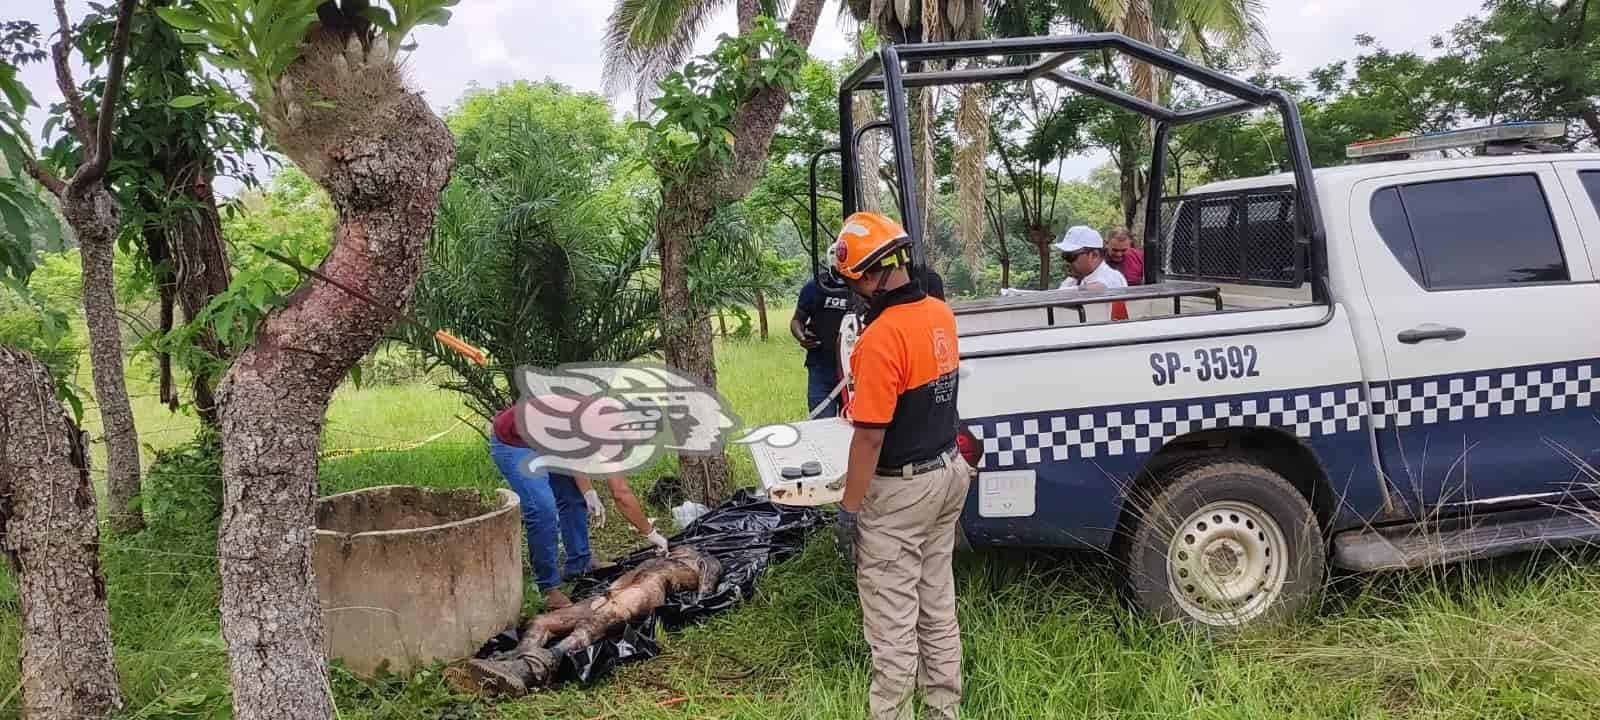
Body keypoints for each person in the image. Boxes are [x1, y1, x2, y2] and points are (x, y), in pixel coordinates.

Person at [831, 211, 971, 720]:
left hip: (902, 493)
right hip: (947, 473)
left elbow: (869, 437)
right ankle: (943, 709)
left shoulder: (880, 339)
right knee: (936, 603)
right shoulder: (940, 311)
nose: (856, 295)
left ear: (870, 275)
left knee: (891, 622)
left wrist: (849, 510)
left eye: (855, 285)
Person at [488, 406, 668, 609]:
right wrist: (651, 534)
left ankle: (579, 563)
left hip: (550, 442)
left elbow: (606, 478)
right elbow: (620, 494)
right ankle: (548, 588)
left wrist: (587, 492)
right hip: (515, 441)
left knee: (573, 496)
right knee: (543, 508)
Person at [792, 271, 853, 417]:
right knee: (822, 422)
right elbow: (797, 320)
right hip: (821, 368)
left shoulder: (864, 286)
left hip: (854, 369)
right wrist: (802, 337)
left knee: (854, 423)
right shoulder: (813, 287)